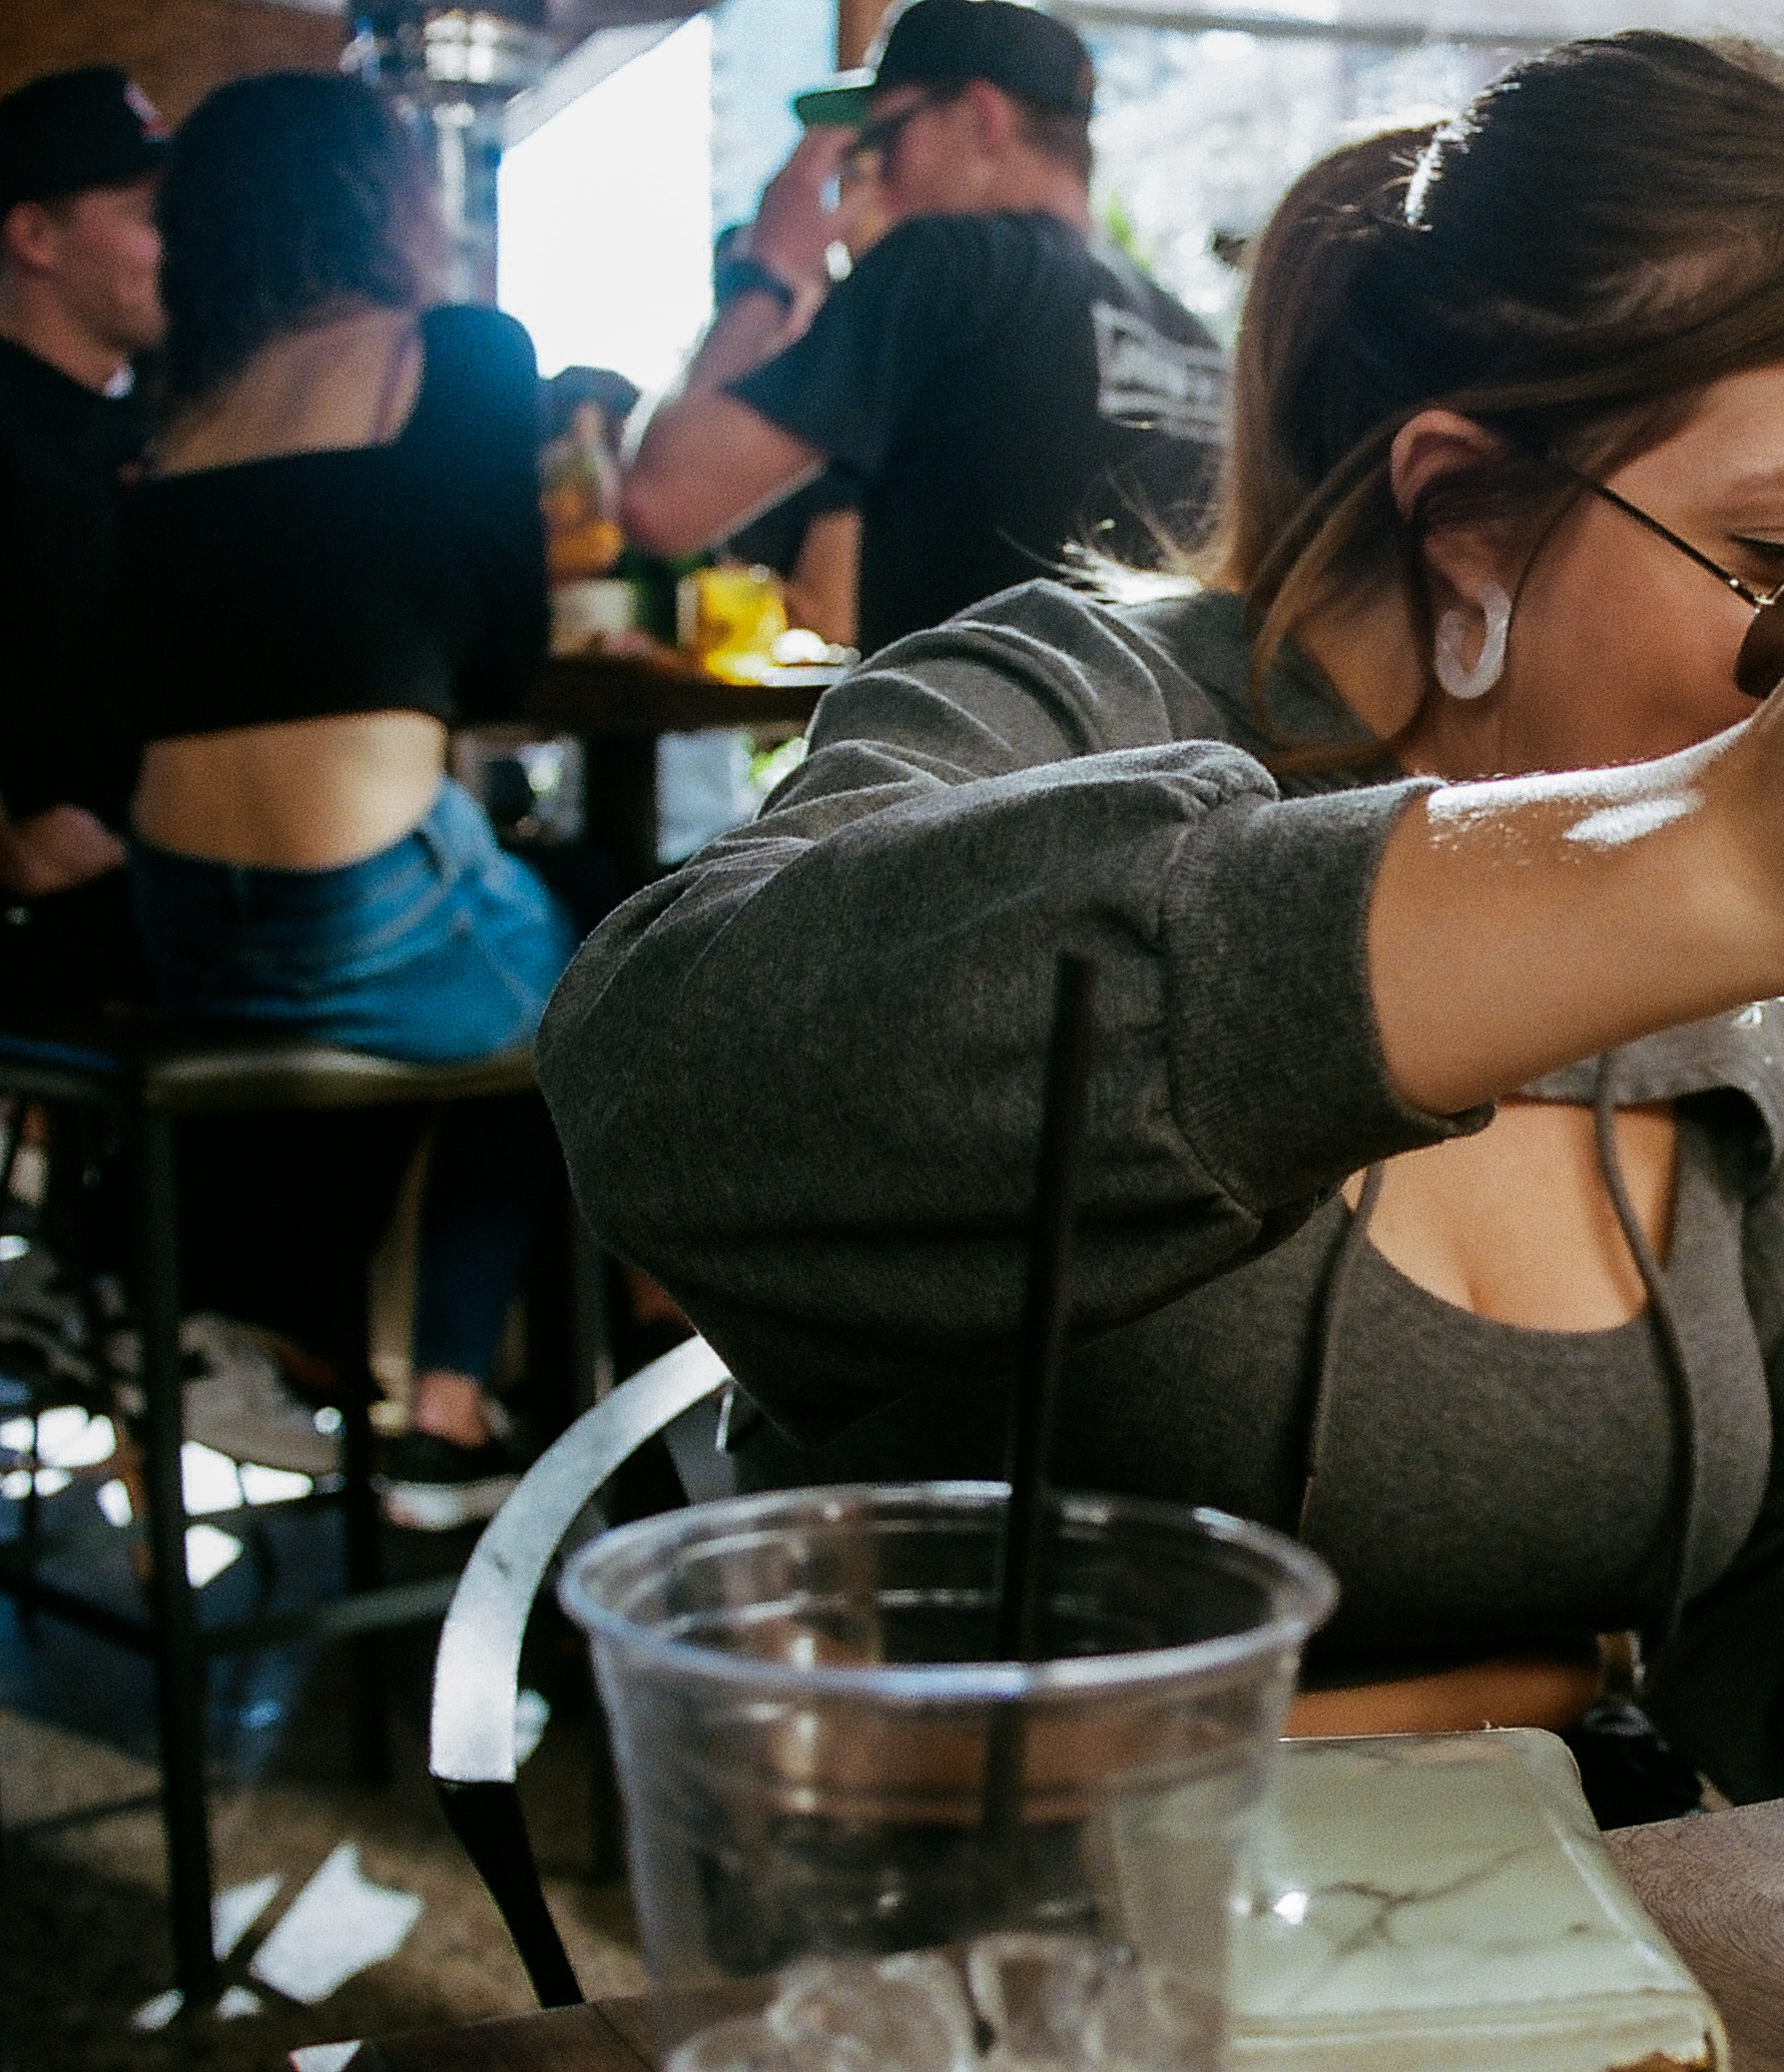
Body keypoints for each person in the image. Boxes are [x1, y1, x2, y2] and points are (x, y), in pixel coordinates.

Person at [542, 35, 1784, 1804]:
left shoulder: (1774, 930)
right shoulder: (1073, 707)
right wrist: (1718, 853)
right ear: (1467, 516)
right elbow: (671, 1077)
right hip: (1035, 1962)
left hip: (1567, 1946)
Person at [114, 73, 578, 1529]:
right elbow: (508, 663)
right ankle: (448, 1401)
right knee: (596, 977)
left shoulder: (175, 412)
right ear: (387, 202)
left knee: (490, 918)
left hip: (178, 928)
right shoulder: (459, 354)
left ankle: (242, 1321)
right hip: (368, 912)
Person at [619, 0, 1224, 654]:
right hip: (1160, 753)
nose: (874, 180)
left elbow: (661, 501)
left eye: (885, 137)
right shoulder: (1191, 338)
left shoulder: (943, 263)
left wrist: (767, 271)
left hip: (965, 750)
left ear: (981, 118)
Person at [0, 67, 165, 1006]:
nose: (178, 245)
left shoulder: (158, 422)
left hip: (158, 866)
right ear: (33, 236)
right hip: (63, 905)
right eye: (147, 214)